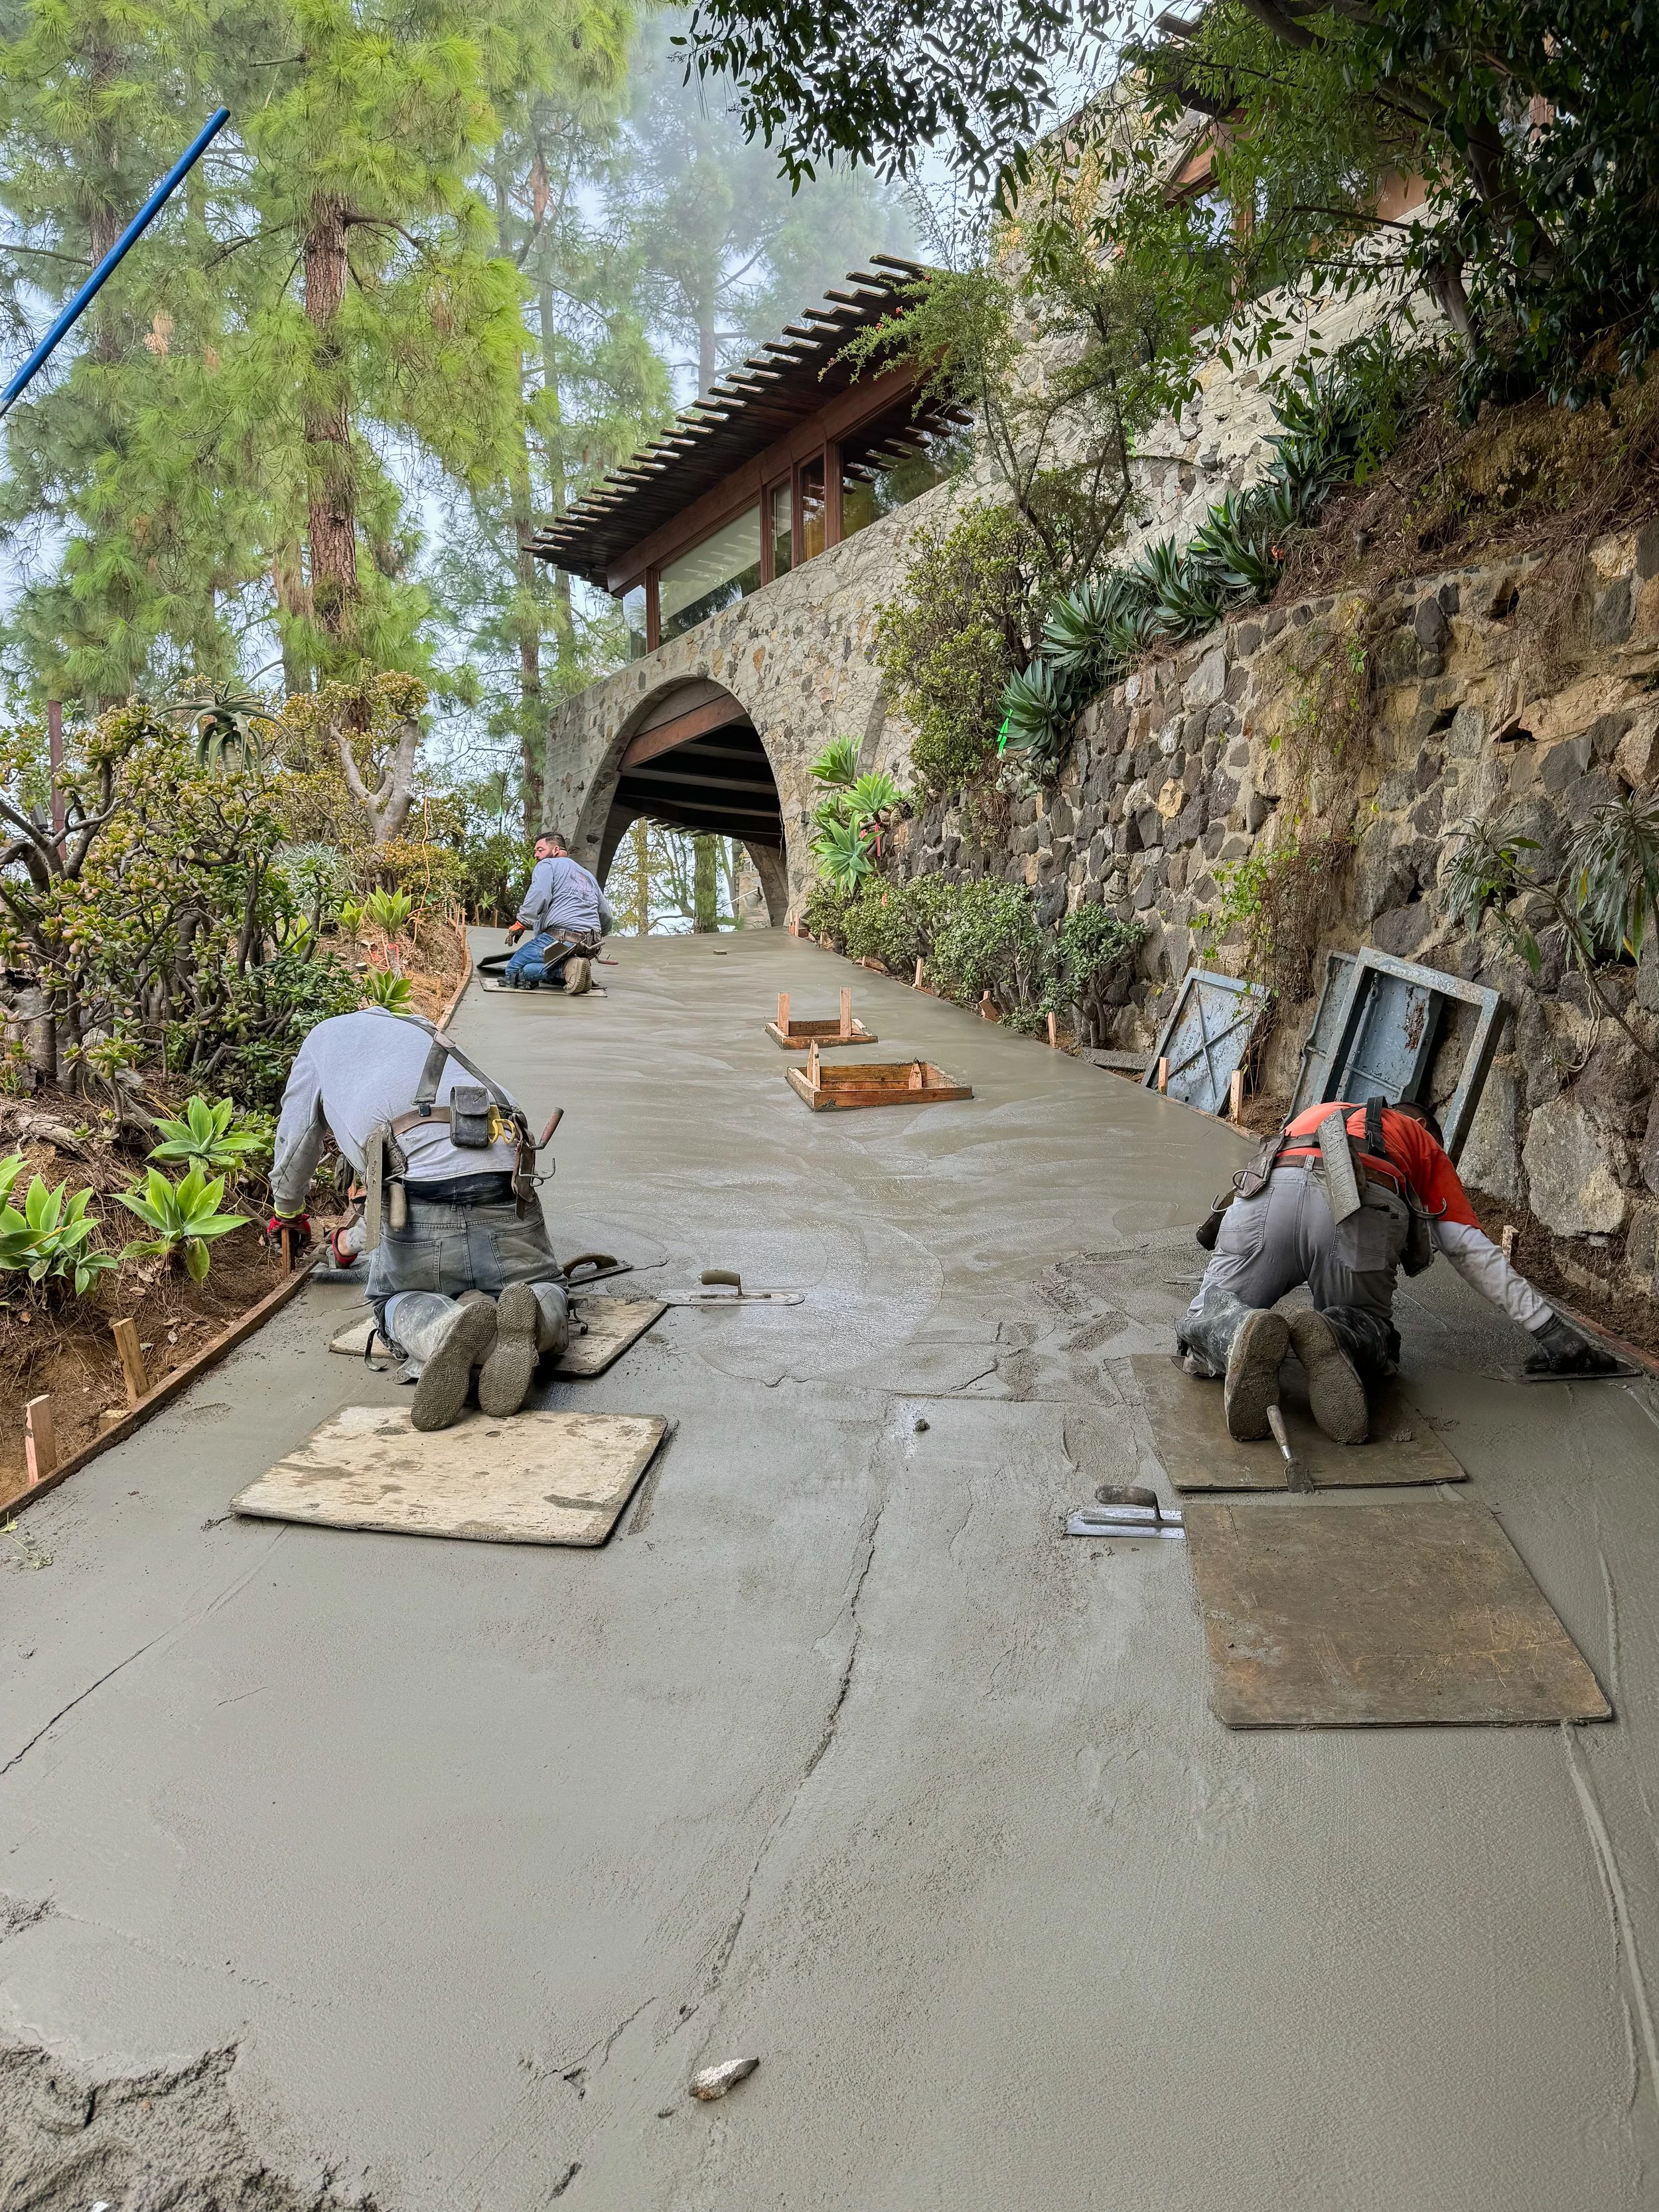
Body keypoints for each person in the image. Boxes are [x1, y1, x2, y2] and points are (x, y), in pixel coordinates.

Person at [1177, 1093, 1620, 1445]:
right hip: (1360, 1205)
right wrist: (1552, 1332)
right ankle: (1337, 1334)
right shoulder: (1418, 1138)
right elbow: (1466, 1246)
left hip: (1268, 1190)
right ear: (1424, 1125)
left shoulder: (1318, 1110)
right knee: (1369, 1331)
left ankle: (1236, 1327)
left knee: (1204, 1317)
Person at [268, 1007, 570, 1430]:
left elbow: (297, 1142)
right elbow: (442, 1159)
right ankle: (534, 1315)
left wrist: (287, 1210)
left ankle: (443, 1328)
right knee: (542, 1285)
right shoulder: (423, 1031)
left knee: (397, 1299)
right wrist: (350, 1239)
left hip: (416, 1196)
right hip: (507, 1179)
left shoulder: (322, 1040)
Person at [503, 829, 614, 992]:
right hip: (589, 944)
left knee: (513, 971)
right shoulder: (587, 875)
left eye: (540, 850)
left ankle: (565, 970)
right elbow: (606, 916)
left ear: (555, 850)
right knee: (536, 965)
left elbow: (540, 893)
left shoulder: (547, 865)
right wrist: (594, 934)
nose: (536, 855)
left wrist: (521, 923)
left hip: (561, 940)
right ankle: (574, 970)